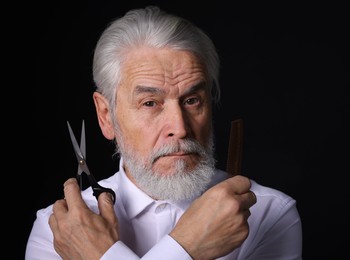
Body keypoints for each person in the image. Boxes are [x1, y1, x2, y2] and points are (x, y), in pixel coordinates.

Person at [25, 5, 302, 260]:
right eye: (150, 103)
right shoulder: (61, 228)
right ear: (106, 116)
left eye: (192, 100)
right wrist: (187, 246)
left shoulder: (267, 214)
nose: (179, 129)